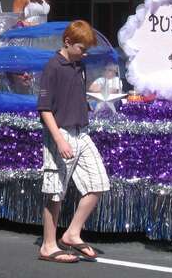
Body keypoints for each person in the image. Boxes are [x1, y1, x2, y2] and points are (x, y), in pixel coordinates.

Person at [37, 20, 109, 263]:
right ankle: (48, 245)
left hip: (81, 131)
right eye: (81, 48)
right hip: (61, 133)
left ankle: (72, 233)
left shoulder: (79, 65)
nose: (85, 53)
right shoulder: (53, 67)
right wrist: (59, 140)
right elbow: (44, 109)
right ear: (67, 42)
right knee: (55, 191)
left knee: (98, 182)